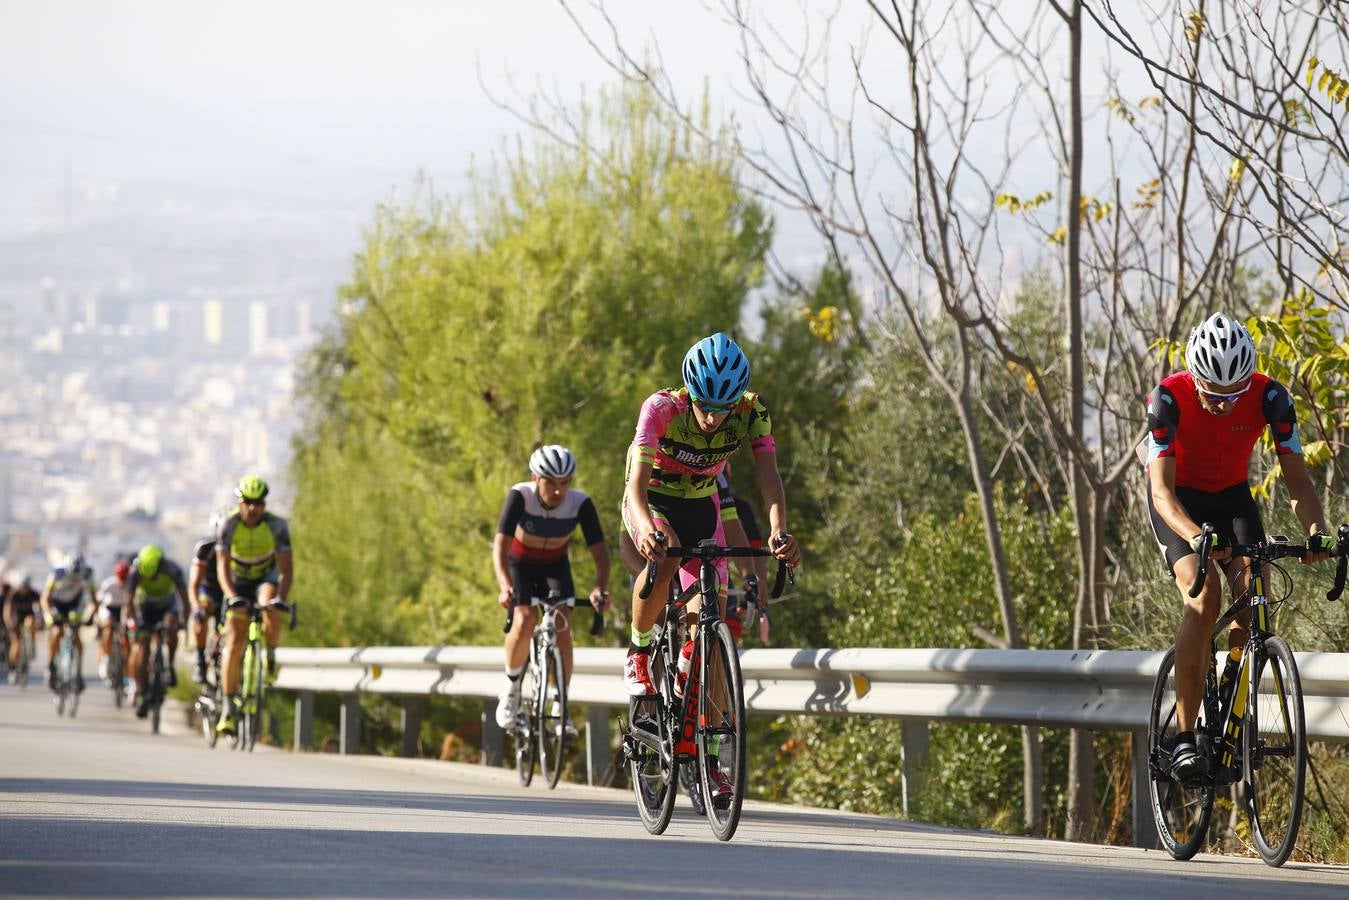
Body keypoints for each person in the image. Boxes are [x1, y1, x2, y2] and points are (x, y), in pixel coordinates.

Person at [1145, 312, 1333, 780]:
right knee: (1205, 596)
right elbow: (1161, 492)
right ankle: (1185, 737)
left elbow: (1299, 485)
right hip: (1179, 502)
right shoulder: (1167, 399)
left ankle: (1232, 708)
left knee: (1255, 596)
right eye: (1213, 394)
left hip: (1231, 499)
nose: (1224, 405)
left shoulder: (1272, 399)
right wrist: (1195, 535)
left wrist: (1316, 531)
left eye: (1234, 395)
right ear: (1195, 378)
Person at [621, 332, 801, 801]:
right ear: (690, 392)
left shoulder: (752, 412)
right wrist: (648, 529)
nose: (712, 418)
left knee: (712, 628)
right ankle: (639, 652)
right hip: (654, 500)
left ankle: (713, 760)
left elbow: (769, 476)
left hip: (702, 504)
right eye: (704, 406)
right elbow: (635, 486)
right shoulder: (661, 409)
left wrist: (779, 532)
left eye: (722, 409)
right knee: (667, 556)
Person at [493, 445, 610, 735]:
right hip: (520, 564)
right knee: (525, 618)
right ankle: (511, 690)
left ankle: (560, 704)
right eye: (551, 483)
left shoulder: (580, 503)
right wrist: (505, 586)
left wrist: (599, 589)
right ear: (535, 478)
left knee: (561, 625)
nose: (559, 491)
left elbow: (600, 553)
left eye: (565, 482)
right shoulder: (520, 495)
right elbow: (500, 547)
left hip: (554, 567)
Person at [215, 474, 293, 736]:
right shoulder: (228, 525)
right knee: (234, 640)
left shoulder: (277, 526)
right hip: (237, 581)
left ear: (264, 505)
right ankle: (228, 708)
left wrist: (281, 598)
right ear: (240, 502)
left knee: (270, 603)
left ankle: (270, 655)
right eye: (248, 502)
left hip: (264, 578)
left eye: (258, 503)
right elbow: (222, 567)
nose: (252, 508)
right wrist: (230, 595)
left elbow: (286, 570)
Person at [126, 544, 189, 718]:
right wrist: (134, 622)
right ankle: (142, 694)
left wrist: (184, 622)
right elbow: (129, 601)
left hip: (167, 606)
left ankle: (170, 665)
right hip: (145, 609)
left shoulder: (172, 569)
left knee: (171, 627)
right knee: (143, 649)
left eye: (154, 575)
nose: (151, 579)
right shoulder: (135, 571)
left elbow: (184, 599)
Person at [40, 553, 96, 692]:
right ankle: (51, 665)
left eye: (77, 577)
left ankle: (79, 673)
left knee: (76, 634)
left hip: (74, 604)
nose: (74, 579)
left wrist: (91, 616)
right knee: (57, 631)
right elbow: (45, 597)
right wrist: (49, 614)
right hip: (57, 603)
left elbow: (94, 600)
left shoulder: (88, 573)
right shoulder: (57, 572)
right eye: (72, 577)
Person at [188, 509, 231, 684]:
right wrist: (196, 607)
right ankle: (199, 659)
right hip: (209, 590)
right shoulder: (205, 548)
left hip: (229, 592)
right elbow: (194, 584)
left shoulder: (238, 547)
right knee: (202, 612)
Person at [95, 560, 132, 685]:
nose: (122, 582)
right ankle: (106, 658)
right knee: (109, 629)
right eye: (120, 579)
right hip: (109, 608)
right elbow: (98, 601)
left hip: (123, 609)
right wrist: (98, 619)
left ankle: (126, 668)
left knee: (128, 635)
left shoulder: (131, 584)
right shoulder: (108, 584)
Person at [4, 574, 40, 683]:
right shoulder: (14, 594)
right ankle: (13, 668)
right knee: (16, 643)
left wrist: (39, 621)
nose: (24, 588)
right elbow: (7, 611)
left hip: (29, 617)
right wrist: (9, 624)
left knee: (30, 621)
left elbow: (39, 610)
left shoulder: (34, 594)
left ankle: (31, 643)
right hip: (17, 618)